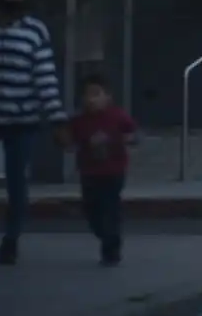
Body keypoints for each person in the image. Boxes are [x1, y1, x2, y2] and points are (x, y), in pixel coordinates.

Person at [0, 0, 69, 265]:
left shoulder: (34, 30)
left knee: (17, 183)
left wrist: (57, 118)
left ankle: (11, 239)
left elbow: (44, 77)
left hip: (23, 119)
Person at [67, 73, 137, 266]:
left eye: (96, 94)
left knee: (111, 206)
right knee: (91, 207)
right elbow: (70, 141)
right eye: (87, 95)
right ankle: (103, 232)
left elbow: (132, 133)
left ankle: (111, 248)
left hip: (114, 170)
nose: (91, 99)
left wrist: (125, 139)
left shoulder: (117, 115)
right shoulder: (79, 121)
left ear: (108, 97)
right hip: (89, 172)